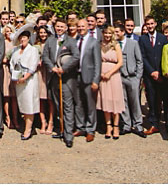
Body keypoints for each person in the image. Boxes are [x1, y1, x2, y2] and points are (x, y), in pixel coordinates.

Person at [41, 17, 79, 148]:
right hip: (54, 77)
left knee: (67, 106)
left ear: (66, 28)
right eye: (58, 26)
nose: (60, 28)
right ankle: (62, 129)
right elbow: (45, 56)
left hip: (66, 78)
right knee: (58, 105)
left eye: (62, 27)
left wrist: (64, 68)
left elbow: (76, 56)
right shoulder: (50, 40)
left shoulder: (71, 41)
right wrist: (52, 67)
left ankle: (68, 135)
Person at [139, 15, 168, 134]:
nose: (150, 26)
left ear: (155, 24)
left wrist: (160, 72)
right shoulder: (143, 39)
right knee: (151, 99)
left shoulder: (162, 38)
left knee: (163, 99)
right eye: (148, 24)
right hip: (149, 75)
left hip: (162, 74)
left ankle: (167, 123)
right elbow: (143, 57)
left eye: (152, 23)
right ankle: (153, 124)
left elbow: (166, 56)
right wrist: (152, 72)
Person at [10, 23, 39, 140]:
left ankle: (28, 129)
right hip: (19, 81)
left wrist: (25, 77)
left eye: (24, 38)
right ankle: (26, 124)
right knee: (22, 103)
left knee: (29, 104)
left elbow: (33, 66)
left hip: (29, 81)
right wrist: (16, 75)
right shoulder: (16, 51)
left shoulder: (33, 50)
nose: (22, 40)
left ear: (28, 38)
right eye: (20, 38)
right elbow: (12, 64)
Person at [74, 14, 101, 142]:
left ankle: (90, 129)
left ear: (87, 27)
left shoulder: (93, 42)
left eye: (82, 26)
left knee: (90, 105)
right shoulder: (74, 41)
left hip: (89, 77)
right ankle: (80, 127)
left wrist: (96, 80)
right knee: (78, 103)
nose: (80, 28)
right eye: (78, 26)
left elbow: (97, 63)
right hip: (76, 77)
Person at [118, 18, 146, 138]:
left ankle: (139, 125)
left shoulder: (134, 43)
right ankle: (126, 125)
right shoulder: (114, 44)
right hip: (120, 77)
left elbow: (140, 61)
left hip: (132, 76)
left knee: (135, 102)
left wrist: (138, 77)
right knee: (123, 102)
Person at [96, 25, 125, 139]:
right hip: (102, 75)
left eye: (109, 33)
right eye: (105, 33)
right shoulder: (99, 45)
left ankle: (116, 126)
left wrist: (109, 73)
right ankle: (108, 126)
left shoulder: (116, 45)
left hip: (113, 75)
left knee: (115, 101)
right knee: (105, 100)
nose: (107, 35)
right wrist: (101, 73)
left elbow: (120, 62)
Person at [34, 25, 54, 135]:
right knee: (40, 98)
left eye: (44, 33)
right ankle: (43, 122)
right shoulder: (36, 45)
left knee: (50, 98)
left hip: (48, 71)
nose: (43, 35)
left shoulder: (51, 43)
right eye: (41, 33)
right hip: (39, 72)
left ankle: (51, 122)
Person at [0, 24, 19, 130]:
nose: (8, 33)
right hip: (5, 68)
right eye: (6, 31)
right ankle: (8, 117)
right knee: (6, 95)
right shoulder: (3, 42)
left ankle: (15, 118)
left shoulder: (15, 43)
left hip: (14, 69)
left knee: (14, 96)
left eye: (10, 31)